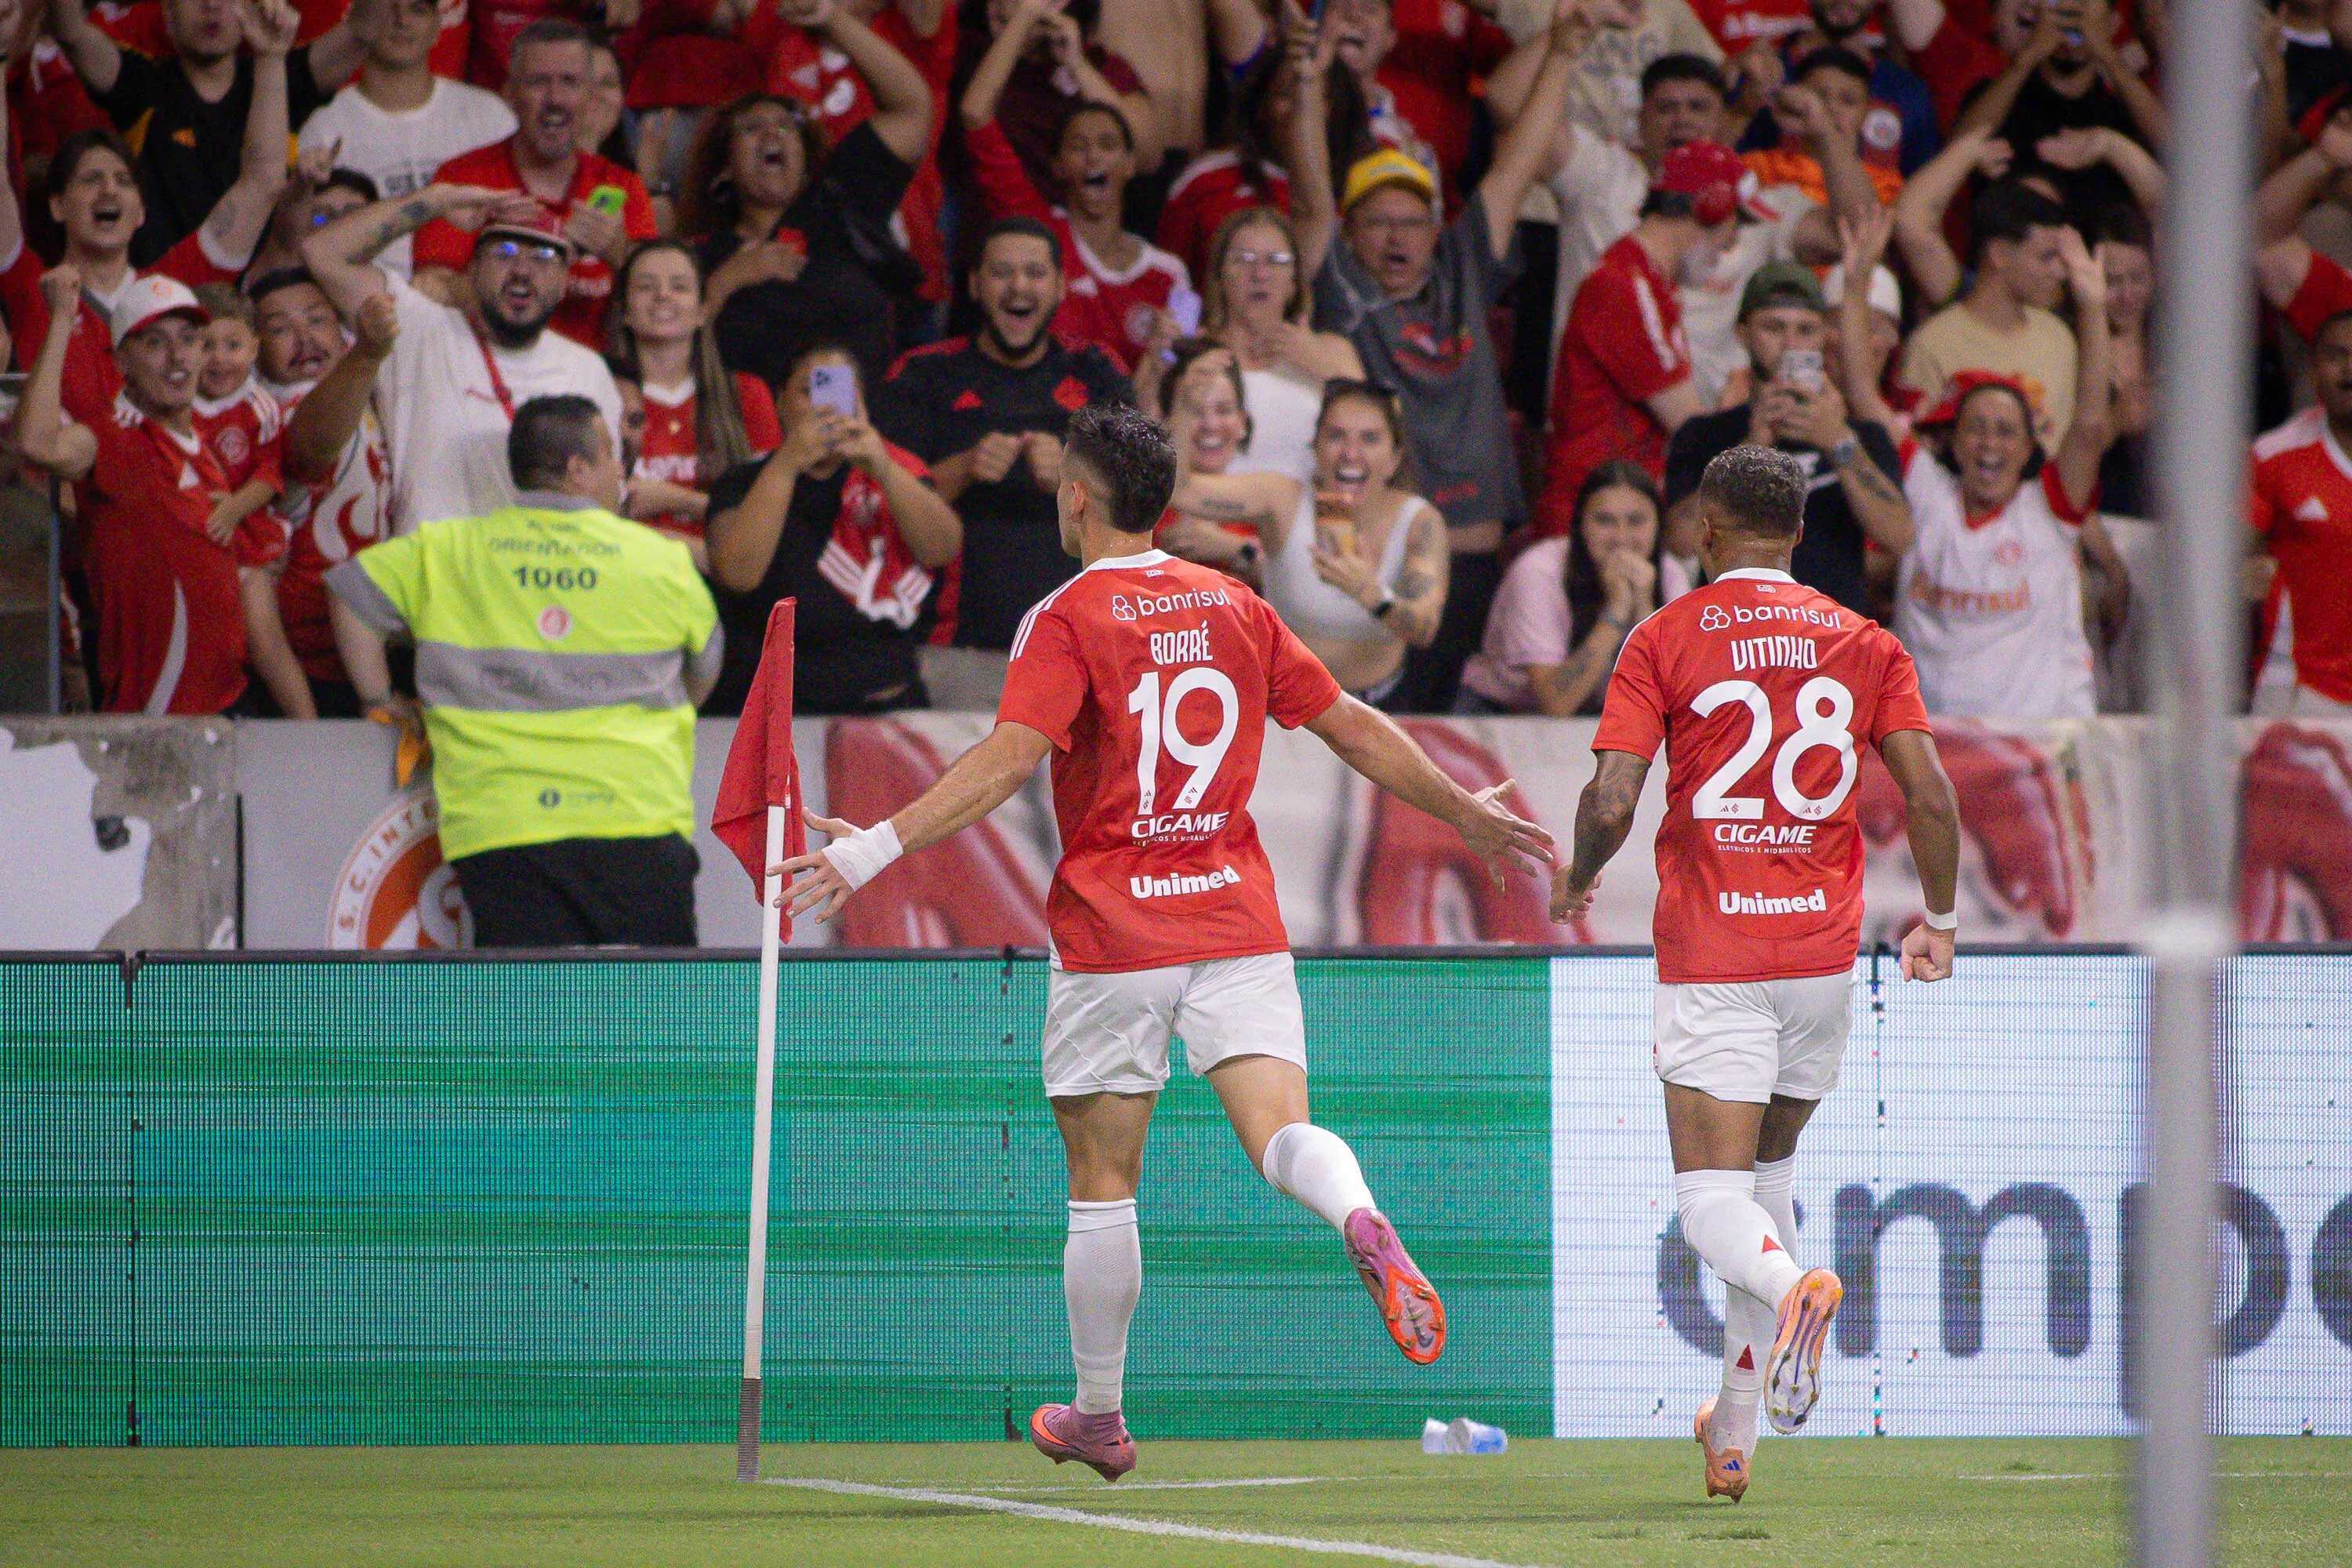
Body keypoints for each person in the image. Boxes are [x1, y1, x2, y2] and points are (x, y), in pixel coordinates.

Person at [771, 401, 1553, 1480]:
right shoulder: (1234, 604)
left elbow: (1006, 760)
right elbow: (1353, 723)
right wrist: (1464, 810)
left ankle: (1100, 1413)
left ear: (1078, 497)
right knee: (1283, 1136)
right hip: (1234, 917)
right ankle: (1359, 1215)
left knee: (1104, 1181)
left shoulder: (1065, 615)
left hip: (1115, 930)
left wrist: (869, 854)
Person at [1548, 442, 1961, 1504]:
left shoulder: (1666, 635)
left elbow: (1608, 802)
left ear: (1705, 532)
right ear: (1795, 535)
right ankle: (1735, 1433)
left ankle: (1795, 1291)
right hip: (1821, 960)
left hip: (1717, 954)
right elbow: (1931, 798)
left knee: (1710, 1206)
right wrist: (1944, 921)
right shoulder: (1863, 641)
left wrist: (1577, 880)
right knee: (1764, 1185)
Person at [326, 394, 722, 948]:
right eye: (611, 454)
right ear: (579, 469)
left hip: (501, 827)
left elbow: (350, 596)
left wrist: (379, 698)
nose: (619, 471)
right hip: (637, 817)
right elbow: (705, 668)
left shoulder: (450, 549)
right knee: (653, 1023)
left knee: (531, 1023)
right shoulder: (658, 558)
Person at [1291, 0, 1598, 710]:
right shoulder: (1342, 288)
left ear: (1436, 227)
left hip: (1476, 566)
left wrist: (1561, 53)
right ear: (1352, 229)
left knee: (1458, 755)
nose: (1397, 239)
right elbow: (1308, 192)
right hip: (1386, 560)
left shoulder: (1463, 267)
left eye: (1412, 221)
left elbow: (1518, 164)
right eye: (1378, 222)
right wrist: (1308, 81)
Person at [873, 217, 1129, 700]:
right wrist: (963, 468)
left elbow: (1138, 506)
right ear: (973, 285)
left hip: (1083, 651)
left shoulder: (1097, 371)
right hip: (953, 652)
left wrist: (1074, 477)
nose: (1018, 286)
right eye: (1001, 273)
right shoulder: (923, 373)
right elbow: (879, 506)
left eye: (1034, 274)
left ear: (1058, 287)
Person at [15, 270, 285, 713]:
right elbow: (36, 444)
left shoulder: (200, 444)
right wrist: (61, 319)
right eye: (155, 343)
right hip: (156, 713)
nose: (177, 356)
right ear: (122, 363)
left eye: (188, 338)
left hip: (227, 698)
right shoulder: (114, 436)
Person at [1896, 232, 2127, 719]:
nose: (1989, 444)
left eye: (2006, 432)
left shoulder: (2048, 506)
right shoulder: (1927, 493)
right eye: (1975, 429)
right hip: (1942, 745)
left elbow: (2088, 425)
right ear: (1954, 443)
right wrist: (1855, 288)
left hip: (2043, 742)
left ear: (2029, 449)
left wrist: (2092, 308)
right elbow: (1864, 403)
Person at [303, 184, 624, 534]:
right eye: (504, 252)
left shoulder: (588, 369)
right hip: (437, 580)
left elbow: (609, 504)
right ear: (472, 269)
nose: (522, 270)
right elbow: (322, 252)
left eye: (543, 258)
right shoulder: (417, 328)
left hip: (541, 580)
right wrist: (438, 200)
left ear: (564, 282)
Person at [683, 7, 935, 394]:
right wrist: (729, 280)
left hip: (861, 432)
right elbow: (673, 353)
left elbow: (912, 107)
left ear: (805, 164)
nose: (773, 134)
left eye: (787, 126)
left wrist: (832, 18)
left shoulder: (841, 200)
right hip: (755, 439)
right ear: (724, 170)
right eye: (752, 128)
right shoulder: (703, 257)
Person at [703, 342, 961, 714]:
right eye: (810, 392)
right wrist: (789, 460)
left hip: (882, 703)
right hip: (775, 710)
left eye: (838, 392)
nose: (825, 407)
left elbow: (942, 548)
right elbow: (737, 573)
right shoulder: (743, 481)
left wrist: (883, 466)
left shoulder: (887, 475)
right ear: (779, 402)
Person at [1167, 377, 1446, 707]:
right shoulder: (1282, 499)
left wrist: (1371, 594)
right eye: (1336, 435)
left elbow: (1424, 628)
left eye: (1369, 439)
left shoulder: (1419, 521)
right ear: (1315, 447)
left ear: (1395, 457)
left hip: (1383, 706)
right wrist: (1184, 405)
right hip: (1284, 706)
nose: (1351, 454)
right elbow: (1179, 490)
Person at [1662, 262, 1910, 616]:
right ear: (1743, 334)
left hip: (1832, 638)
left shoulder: (1862, 436)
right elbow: (1682, 541)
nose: (1791, 343)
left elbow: (1899, 537)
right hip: (1735, 632)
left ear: (1825, 336)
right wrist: (1751, 448)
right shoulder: (1705, 434)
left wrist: (1838, 441)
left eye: (1806, 330)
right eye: (1774, 327)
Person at [47, 0, 363, 263]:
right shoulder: (140, 84)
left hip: (260, 291)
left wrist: (272, 54)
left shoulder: (281, 75)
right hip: (167, 290)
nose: (211, 5)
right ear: (168, 16)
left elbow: (365, 30)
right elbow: (70, 31)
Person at [409, 20, 660, 350]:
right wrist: (521, 254)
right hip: (486, 374)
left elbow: (661, 303)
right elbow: (427, 293)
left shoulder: (622, 186)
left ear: (589, 96)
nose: (555, 99)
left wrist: (618, 254)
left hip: (590, 381)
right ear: (509, 94)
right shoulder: (462, 180)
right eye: (538, 82)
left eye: (569, 82)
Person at [1541, 140, 1754, 525]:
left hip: (1614, 510)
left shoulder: (1648, 281)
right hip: (1586, 519)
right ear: (1712, 209)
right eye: (1734, 224)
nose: (1732, 244)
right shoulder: (1625, 285)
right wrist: (1756, 411)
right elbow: (1691, 430)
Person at [962, 20, 1190, 375]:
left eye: (1108, 145)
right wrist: (1026, 13)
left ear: (1131, 164)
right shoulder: (1038, 230)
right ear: (1058, 166)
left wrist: (1076, 62)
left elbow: (1178, 383)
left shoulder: (1169, 275)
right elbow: (975, 112)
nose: (1093, 157)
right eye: (1078, 146)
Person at [294, 0, 518, 278]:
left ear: (438, 27)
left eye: (418, 9)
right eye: (389, 8)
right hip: (365, 297)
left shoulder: (491, 115)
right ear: (360, 20)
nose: (402, 21)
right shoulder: (323, 124)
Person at [257, 268, 395, 718]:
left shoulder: (385, 397)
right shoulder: (273, 414)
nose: (304, 339)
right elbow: (312, 448)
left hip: (380, 642)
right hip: (307, 657)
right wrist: (369, 354)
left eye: (316, 320)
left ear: (342, 331)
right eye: (278, 329)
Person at [1457, 460, 1691, 715]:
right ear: (1580, 526)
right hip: (1502, 717)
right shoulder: (1539, 571)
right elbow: (1556, 704)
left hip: (1604, 718)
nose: (1621, 537)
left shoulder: (1670, 575)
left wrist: (1645, 609)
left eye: (1636, 521)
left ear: (1658, 527)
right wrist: (1617, 611)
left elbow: (1676, 701)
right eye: (1605, 521)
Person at [603, 240, 782, 568]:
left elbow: (767, 518)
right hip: (627, 577)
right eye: (646, 286)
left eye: (680, 286)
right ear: (625, 312)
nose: (663, 295)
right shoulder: (599, 393)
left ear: (702, 311)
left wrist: (676, 499)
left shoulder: (748, 394)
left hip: (725, 582)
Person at [1168, 208, 1366, 485]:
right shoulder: (1190, 350)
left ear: (1294, 282)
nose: (1260, 274)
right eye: (1244, 259)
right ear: (1220, 276)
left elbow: (1380, 431)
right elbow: (1144, 440)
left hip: (1312, 518)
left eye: (1276, 261)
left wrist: (1314, 361)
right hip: (1211, 515)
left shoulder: (1333, 350)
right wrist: (1157, 362)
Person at [1893, 176, 2079, 448]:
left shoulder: (2060, 338)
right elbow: (1916, 459)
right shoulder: (1933, 345)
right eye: (2046, 258)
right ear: (2000, 254)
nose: (2060, 271)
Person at [1944, 0, 2162, 227]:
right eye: (2059, 6)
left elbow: (2182, 157)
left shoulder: (2126, 114)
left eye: (2085, 6)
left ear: (2112, 23)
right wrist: (2029, 54)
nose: (2071, 18)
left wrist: (2108, 54)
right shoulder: (1996, 98)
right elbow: (1955, 156)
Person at [2248, 309, 2352, 719]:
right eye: (2337, 355)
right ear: (2313, 368)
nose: (2350, 368)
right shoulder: (2275, 457)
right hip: (2296, 692)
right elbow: (2225, 564)